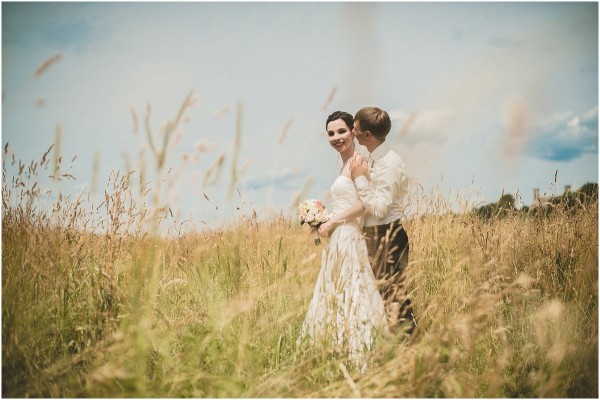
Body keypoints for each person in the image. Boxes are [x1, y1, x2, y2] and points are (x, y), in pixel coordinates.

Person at [298, 111, 387, 371]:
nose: (336, 137)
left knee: (355, 290)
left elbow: (364, 204)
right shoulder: (343, 165)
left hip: (349, 236)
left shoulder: (360, 162)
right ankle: (337, 348)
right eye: (331, 133)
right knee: (336, 291)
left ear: (353, 132)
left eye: (341, 131)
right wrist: (321, 220)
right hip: (338, 236)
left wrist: (334, 221)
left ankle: (361, 353)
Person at [348, 106, 415, 335]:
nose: (352, 132)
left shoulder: (389, 164)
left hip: (388, 237)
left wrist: (359, 180)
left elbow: (379, 208)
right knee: (378, 298)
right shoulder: (372, 158)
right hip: (373, 236)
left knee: (394, 299)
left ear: (368, 135)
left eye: (355, 129)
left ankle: (409, 348)